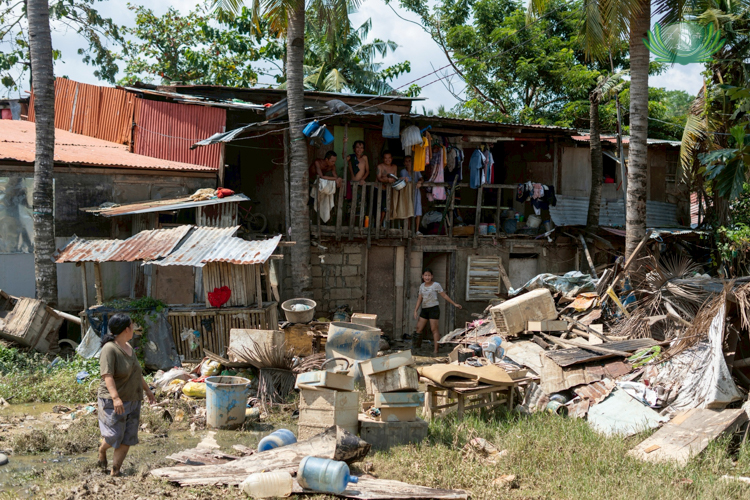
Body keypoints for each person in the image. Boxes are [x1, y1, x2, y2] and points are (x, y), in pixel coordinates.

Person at [96, 313, 155, 476]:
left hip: (133, 399)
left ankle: (115, 470)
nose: (134, 328)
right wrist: (116, 398)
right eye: (132, 325)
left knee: (128, 437)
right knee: (115, 434)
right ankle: (102, 450)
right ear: (126, 329)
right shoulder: (109, 349)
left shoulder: (129, 348)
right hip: (114, 400)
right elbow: (107, 375)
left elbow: (137, 373)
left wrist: (148, 391)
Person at [413, 268, 462, 355]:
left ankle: (436, 350)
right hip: (424, 309)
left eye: (428, 275)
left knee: (434, 329)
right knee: (418, 328)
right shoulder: (422, 286)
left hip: (433, 309)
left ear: (432, 276)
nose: (427, 277)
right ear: (422, 276)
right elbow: (420, 298)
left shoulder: (436, 285)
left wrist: (454, 304)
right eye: (425, 275)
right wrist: (415, 310)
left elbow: (444, 295)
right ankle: (417, 348)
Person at [399, 155, 423, 236]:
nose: (408, 163)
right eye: (406, 161)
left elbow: (421, 178)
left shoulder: (416, 170)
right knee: (408, 210)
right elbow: (402, 180)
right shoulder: (403, 171)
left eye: (409, 161)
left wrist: (420, 182)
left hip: (416, 192)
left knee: (418, 211)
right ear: (404, 163)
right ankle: (409, 230)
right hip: (407, 192)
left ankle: (417, 230)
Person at [375, 151, 399, 227]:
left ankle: (381, 225)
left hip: (389, 190)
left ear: (391, 159)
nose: (387, 160)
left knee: (385, 209)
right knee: (378, 208)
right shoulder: (380, 166)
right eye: (385, 158)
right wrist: (387, 180)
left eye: (389, 158)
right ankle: (377, 225)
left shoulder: (394, 167)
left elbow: (395, 178)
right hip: (379, 190)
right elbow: (378, 178)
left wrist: (389, 180)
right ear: (383, 159)